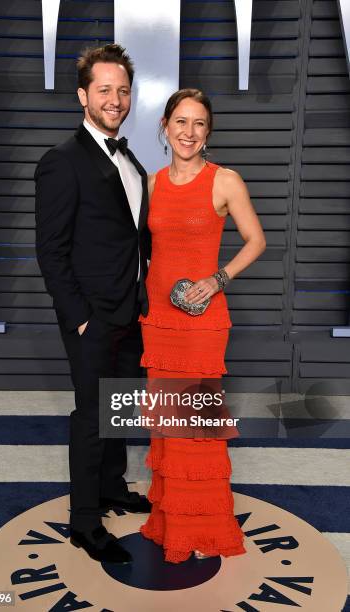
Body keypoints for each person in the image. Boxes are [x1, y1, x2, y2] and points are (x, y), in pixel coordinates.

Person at [35, 44, 151, 565]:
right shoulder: (62, 161)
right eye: (104, 89)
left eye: (123, 90)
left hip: (132, 308)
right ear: (83, 95)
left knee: (119, 410)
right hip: (92, 317)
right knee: (89, 417)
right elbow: (50, 250)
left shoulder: (133, 161)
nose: (115, 99)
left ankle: (111, 487)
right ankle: (84, 520)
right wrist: (79, 316)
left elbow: (131, 238)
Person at [139, 88, 267, 563]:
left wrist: (217, 280)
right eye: (180, 122)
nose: (188, 132)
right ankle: (170, 523)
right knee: (168, 426)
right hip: (158, 319)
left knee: (196, 426)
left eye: (198, 124)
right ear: (165, 126)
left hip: (201, 323)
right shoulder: (151, 184)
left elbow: (256, 240)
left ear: (208, 132)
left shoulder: (224, 180)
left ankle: (205, 528)